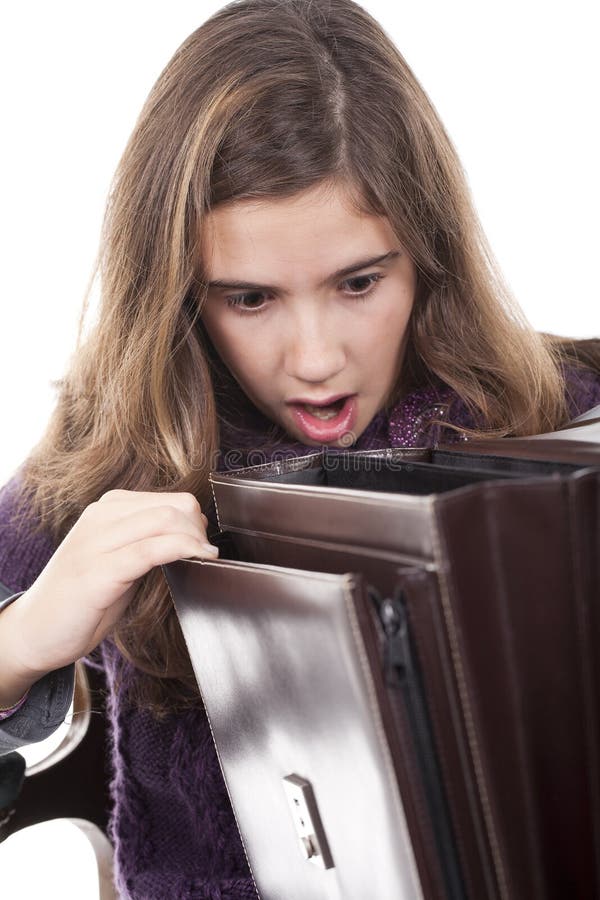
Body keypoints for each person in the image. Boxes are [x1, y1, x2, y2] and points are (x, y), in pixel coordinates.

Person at [1, 0, 599, 896]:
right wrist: (22, 643)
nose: (316, 360)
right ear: (175, 294)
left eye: (359, 282)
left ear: (428, 254)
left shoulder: (564, 414)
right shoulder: (106, 458)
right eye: (249, 298)